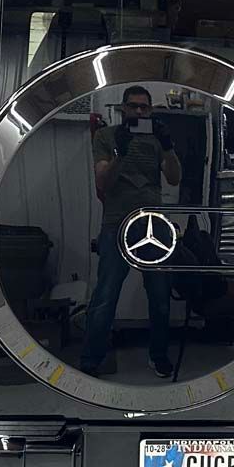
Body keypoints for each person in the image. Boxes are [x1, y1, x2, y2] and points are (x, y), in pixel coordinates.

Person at [81, 85, 182, 378]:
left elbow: (174, 179)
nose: (139, 111)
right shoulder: (106, 136)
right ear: (123, 108)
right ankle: (91, 358)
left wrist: (169, 146)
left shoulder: (156, 140)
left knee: (160, 295)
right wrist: (119, 154)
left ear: (150, 110)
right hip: (117, 223)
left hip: (154, 224)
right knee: (105, 295)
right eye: (134, 106)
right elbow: (103, 182)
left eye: (145, 107)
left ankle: (158, 355)